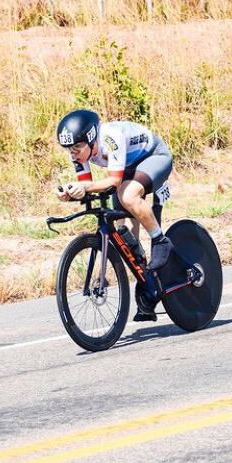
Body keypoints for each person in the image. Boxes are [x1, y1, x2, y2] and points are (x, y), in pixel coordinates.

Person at [56, 110, 173, 320]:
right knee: (125, 235)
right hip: (129, 168)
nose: (73, 153)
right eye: (68, 148)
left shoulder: (110, 138)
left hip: (154, 156)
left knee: (127, 196)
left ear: (91, 139)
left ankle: (160, 240)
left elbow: (114, 182)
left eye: (76, 148)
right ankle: (149, 286)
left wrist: (85, 186)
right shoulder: (79, 150)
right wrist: (72, 193)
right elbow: (87, 184)